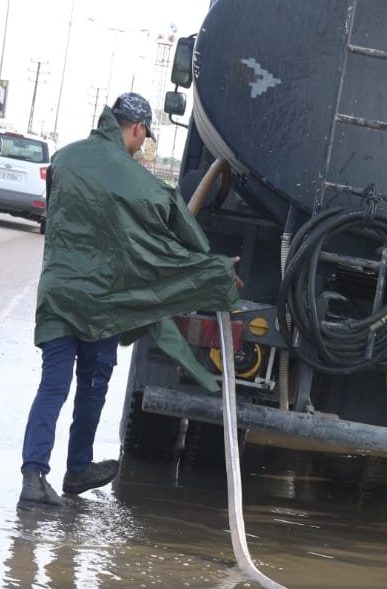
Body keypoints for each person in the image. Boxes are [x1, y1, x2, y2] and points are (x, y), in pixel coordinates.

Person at [20, 92, 240, 507]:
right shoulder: (139, 182)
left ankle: (34, 476)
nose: (142, 145)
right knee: (92, 385)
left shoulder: (64, 159)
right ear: (137, 128)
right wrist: (212, 268)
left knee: (52, 385)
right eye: (144, 137)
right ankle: (77, 468)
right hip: (106, 303)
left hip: (60, 294)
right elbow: (171, 233)